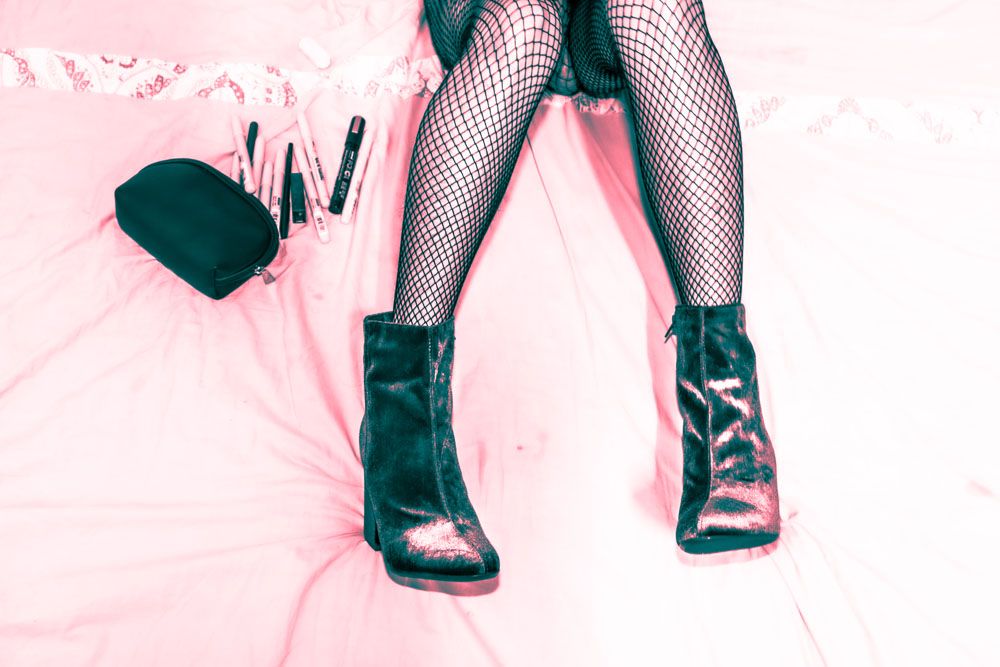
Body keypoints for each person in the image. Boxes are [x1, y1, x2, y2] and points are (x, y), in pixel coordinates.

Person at [358, 0, 780, 583]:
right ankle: (402, 427)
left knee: (656, 9)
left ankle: (728, 417)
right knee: (524, 22)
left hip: (599, 23)